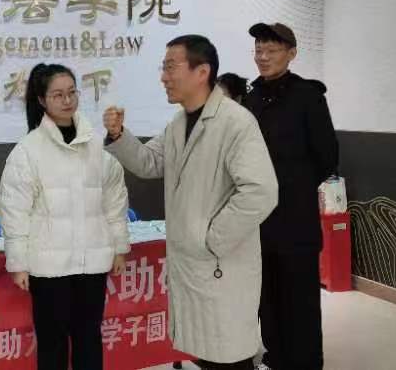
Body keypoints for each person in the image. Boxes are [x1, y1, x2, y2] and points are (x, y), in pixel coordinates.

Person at [103, 35, 277, 370]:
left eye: (171, 67)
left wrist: (211, 237)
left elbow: (261, 191)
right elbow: (150, 162)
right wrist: (119, 136)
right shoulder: (179, 123)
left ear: (202, 72)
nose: (163, 77)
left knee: (229, 357)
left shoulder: (235, 122)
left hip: (221, 264)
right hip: (192, 267)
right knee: (206, 354)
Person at [0, 63, 130, 370]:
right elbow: (14, 210)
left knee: (89, 339)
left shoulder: (95, 145)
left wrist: (120, 246)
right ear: (42, 100)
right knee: (52, 344)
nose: (67, 100)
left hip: (91, 263)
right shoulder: (28, 150)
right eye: (58, 95)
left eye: (72, 92)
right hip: (49, 268)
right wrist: (18, 262)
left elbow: (114, 200)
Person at [244, 23, 338, 370]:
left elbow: (327, 157)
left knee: (300, 301)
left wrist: (293, 187)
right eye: (258, 50)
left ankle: (306, 363)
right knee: (267, 299)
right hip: (257, 221)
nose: (263, 56)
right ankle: (275, 358)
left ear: (292, 54)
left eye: (271, 50)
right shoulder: (251, 99)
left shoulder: (307, 96)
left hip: (296, 221)